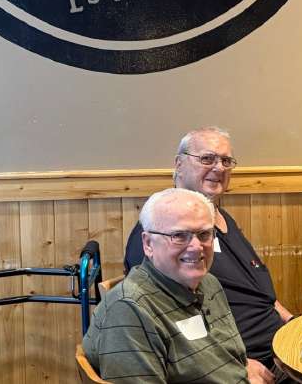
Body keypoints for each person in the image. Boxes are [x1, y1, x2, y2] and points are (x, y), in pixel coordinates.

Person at [122, 127, 290, 384]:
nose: (219, 168)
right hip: (240, 366)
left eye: (226, 161)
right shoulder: (158, 234)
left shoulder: (224, 221)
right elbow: (169, 320)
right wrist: (235, 365)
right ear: (179, 164)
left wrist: (293, 322)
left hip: (281, 350)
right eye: (207, 159)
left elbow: (260, 293)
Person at [84, 188, 249, 383]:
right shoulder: (129, 309)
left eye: (204, 234)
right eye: (179, 235)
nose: (197, 247)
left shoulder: (209, 283)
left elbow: (233, 360)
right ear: (148, 244)